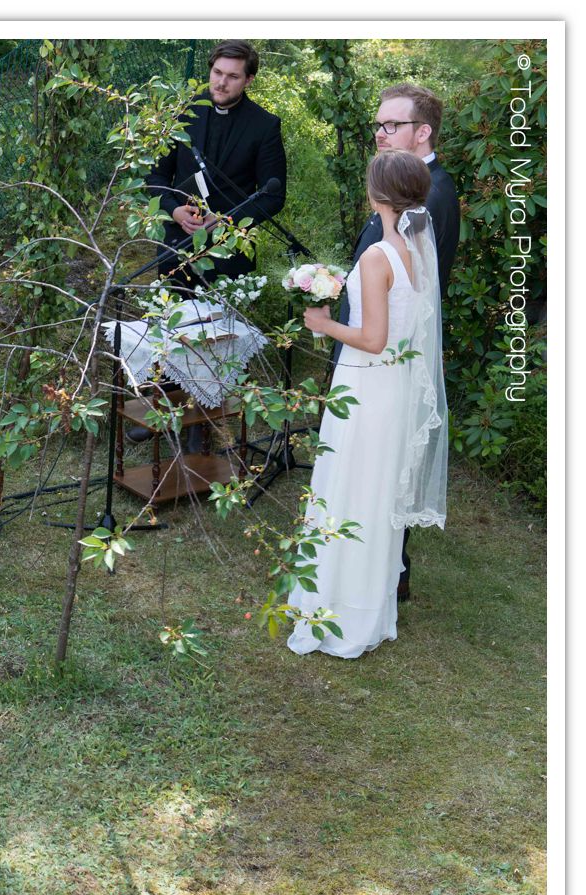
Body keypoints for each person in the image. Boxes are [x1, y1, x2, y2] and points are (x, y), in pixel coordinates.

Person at [289, 151, 448, 659]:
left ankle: (338, 611)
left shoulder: (379, 254)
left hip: (366, 385)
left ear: (377, 193)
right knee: (374, 496)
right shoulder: (415, 250)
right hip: (392, 389)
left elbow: (374, 338)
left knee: (349, 490)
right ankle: (366, 609)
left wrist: (324, 324)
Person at [332, 83, 461, 600]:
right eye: (379, 125)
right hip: (375, 346)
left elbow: (422, 283)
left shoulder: (433, 191)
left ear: (422, 131)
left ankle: (385, 571)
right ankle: (375, 568)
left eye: (392, 125)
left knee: (382, 464)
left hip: (386, 354)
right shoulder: (406, 184)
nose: (381, 135)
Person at [145, 39, 288, 286]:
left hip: (230, 252)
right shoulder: (182, 111)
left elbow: (273, 196)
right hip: (178, 245)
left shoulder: (265, 126)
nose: (221, 83)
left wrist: (226, 221)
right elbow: (156, 176)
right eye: (217, 72)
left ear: (248, 80)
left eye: (233, 76)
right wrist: (174, 211)